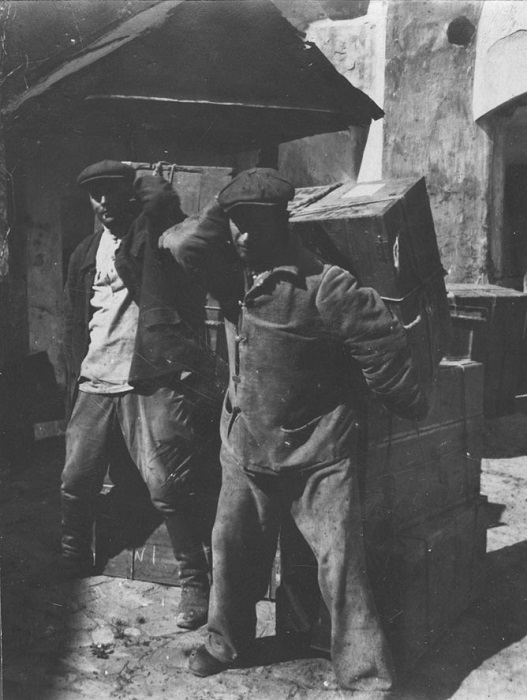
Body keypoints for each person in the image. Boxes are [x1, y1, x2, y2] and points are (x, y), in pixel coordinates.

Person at [159, 167, 428, 693]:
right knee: (231, 551)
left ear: (284, 222)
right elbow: (183, 244)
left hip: (317, 453)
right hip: (246, 446)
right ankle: (225, 643)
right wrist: (226, 202)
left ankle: (366, 675)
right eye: (236, 223)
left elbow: (382, 342)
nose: (244, 235)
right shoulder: (230, 275)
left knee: (341, 567)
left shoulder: (325, 283)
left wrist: (404, 401)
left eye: (256, 223)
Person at [61, 160, 222, 630]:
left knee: (167, 483)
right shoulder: (85, 251)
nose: (103, 203)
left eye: (112, 192)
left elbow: (162, 203)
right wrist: (76, 373)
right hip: (96, 378)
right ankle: (73, 557)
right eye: (95, 195)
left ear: (129, 194)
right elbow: (75, 319)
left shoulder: (150, 238)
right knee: (75, 479)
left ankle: (195, 581)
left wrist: (136, 179)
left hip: (146, 376)